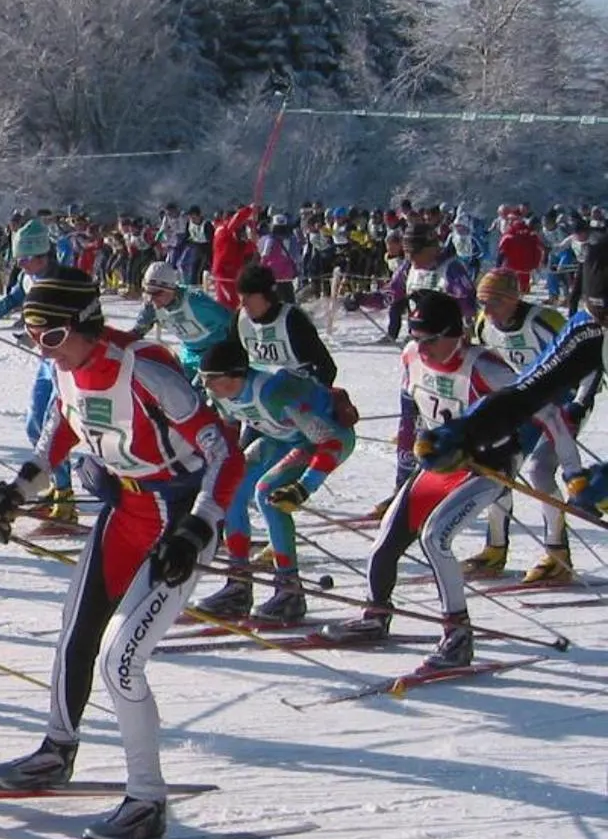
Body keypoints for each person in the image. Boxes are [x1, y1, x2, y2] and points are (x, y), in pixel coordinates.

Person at [0, 271, 244, 839]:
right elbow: (56, 442)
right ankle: (56, 750)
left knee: (123, 661)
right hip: (126, 512)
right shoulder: (67, 370)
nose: (41, 348)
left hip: (177, 519)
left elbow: (223, 451)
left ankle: (146, 803)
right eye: (30, 334)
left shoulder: (145, 372)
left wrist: (200, 526)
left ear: (85, 324)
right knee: (77, 630)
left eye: (49, 336)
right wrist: (13, 494)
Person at [322, 289, 579, 673]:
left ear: (455, 333)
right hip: (439, 465)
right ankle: (375, 615)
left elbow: (549, 416)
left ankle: (457, 635)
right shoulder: (411, 356)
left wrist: (573, 474)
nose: (421, 348)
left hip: (486, 466)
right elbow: (410, 413)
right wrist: (406, 463)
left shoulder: (486, 368)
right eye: (415, 338)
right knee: (388, 537)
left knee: (435, 537)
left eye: (429, 339)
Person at [189, 338, 355, 625]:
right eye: (204, 380)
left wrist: (304, 486)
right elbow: (229, 435)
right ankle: (238, 584)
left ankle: (290, 590)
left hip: (328, 438)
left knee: (268, 495)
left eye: (213, 380)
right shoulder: (221, 394)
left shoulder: (273, 392)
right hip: (284, 437)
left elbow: (329, 441)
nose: (207, 387)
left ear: (236, 375)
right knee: (233, 490)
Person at [0, 218, 81, 526]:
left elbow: (81, 322)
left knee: (53, 430)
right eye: (19, 259)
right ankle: (56, 487)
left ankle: (65, 500)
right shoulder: (29, 278)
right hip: (45, 362)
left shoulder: (61, 281)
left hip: (64, 363)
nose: (22, 264)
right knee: (33, 426)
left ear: (43, 254)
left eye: (26, 259)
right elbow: (13, 299)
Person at [466, 268, 577, 584]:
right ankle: (495, 548)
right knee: (498, 470)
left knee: (540, 470)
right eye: (482, 302)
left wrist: (573, 406)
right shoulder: (485, 325)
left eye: (493, 302)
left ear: (513, 299)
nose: (487, 310)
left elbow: (583, 361)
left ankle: (558, 554)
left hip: (560, 405)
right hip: (522, 405)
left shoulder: (544, 322)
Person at [234, 261, 337, 384]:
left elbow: (326, 368)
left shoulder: (293, 320)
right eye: (241, 297)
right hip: (258, 392)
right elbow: (231, 363)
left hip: (297, 391)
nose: (243, 304)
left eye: (249, 297)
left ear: (267, 295)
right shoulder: (240, 320)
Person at [130, 260, 235, 374]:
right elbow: (135, 334)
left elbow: (230, 321)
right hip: (190, 354)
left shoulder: (196, 302)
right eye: (147, 292)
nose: (151, 299)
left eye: (157, 294)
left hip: (216, 352)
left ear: (170, 290)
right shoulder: (151, 308)